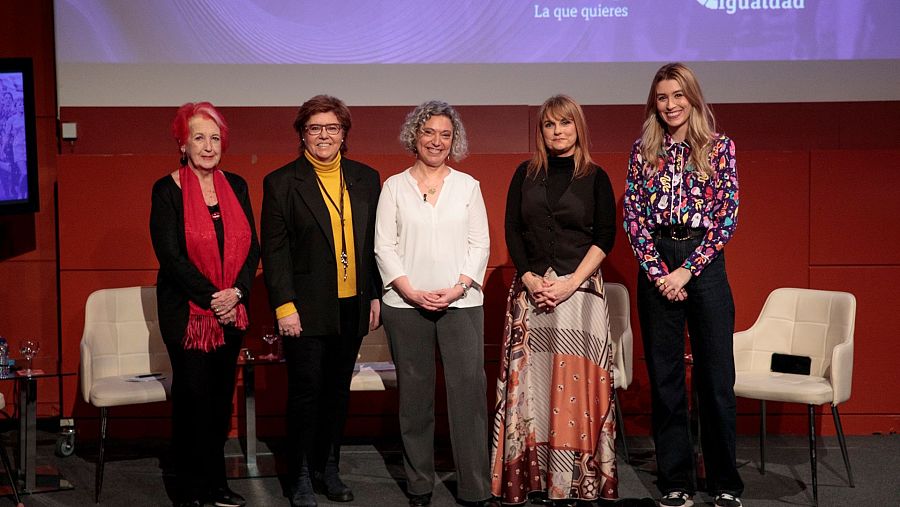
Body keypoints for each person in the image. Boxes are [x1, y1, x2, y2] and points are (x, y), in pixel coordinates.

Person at [623, 63, 743, 507]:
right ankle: (676, 480)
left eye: (678, 96)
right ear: (653, 103)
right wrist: (658, 272)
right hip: (657, 263)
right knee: (667, 380)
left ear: (692, 98)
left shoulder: (720, 148)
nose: (670, 105)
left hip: (703, 265)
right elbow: (633, 216)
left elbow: (726, 217)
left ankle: (725, 484)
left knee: (715, 378)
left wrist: (686, 271)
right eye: (661, 97)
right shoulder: (642, 151)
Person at [490, 94, 618, 506]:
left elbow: (605, 238)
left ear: (578, 127)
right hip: (532, 296)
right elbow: (513, 231)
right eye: (549, 125)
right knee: (534, 387)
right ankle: (531, 479)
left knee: (575, 390)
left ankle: (573, 481)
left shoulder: (595, 177)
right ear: (541, 131)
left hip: (579, 296)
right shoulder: (524, 174)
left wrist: (570, 283)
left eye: (565, 123)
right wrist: (528, 278)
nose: (557, 131)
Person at [260, 95, 382, 507]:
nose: (324, 136)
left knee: (337, 393)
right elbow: (274, 252)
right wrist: (283, 305)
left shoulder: (366, 178)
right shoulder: (281, 183)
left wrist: (376, 295)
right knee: (306, 393)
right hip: (306, 309)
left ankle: (328, 470)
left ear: (344, 133)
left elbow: (374, 245)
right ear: (302, 135)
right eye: (315, 128)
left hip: (353, 305)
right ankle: (297, 477)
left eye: (332, 128)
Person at [374, 100, 494, 507]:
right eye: (429, 132)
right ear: (415, 136)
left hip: (461, 305)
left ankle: (475, 488)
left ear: (453, 140)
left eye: (445, 134)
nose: (437, 141)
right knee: (415, 398)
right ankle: (419, 485)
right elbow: (383, 247)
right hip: (405, 306)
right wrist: (409, 290)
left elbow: (481, 245)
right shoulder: (393, 186)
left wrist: (458, 288)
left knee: (468, 399)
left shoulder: (468, 186)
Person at [150, 102, 259, 507]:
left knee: (218, 402)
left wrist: (239, 293)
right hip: (187, 313)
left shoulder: (238, 186)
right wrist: (216, 299)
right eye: (199, 137)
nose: (208, 146)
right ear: (183, 143)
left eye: (215, 138)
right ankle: (189, 489)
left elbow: (252, 248)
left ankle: (216, 484)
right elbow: (171, 257)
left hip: (233, 311)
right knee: (193, 399)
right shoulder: (167, 190)